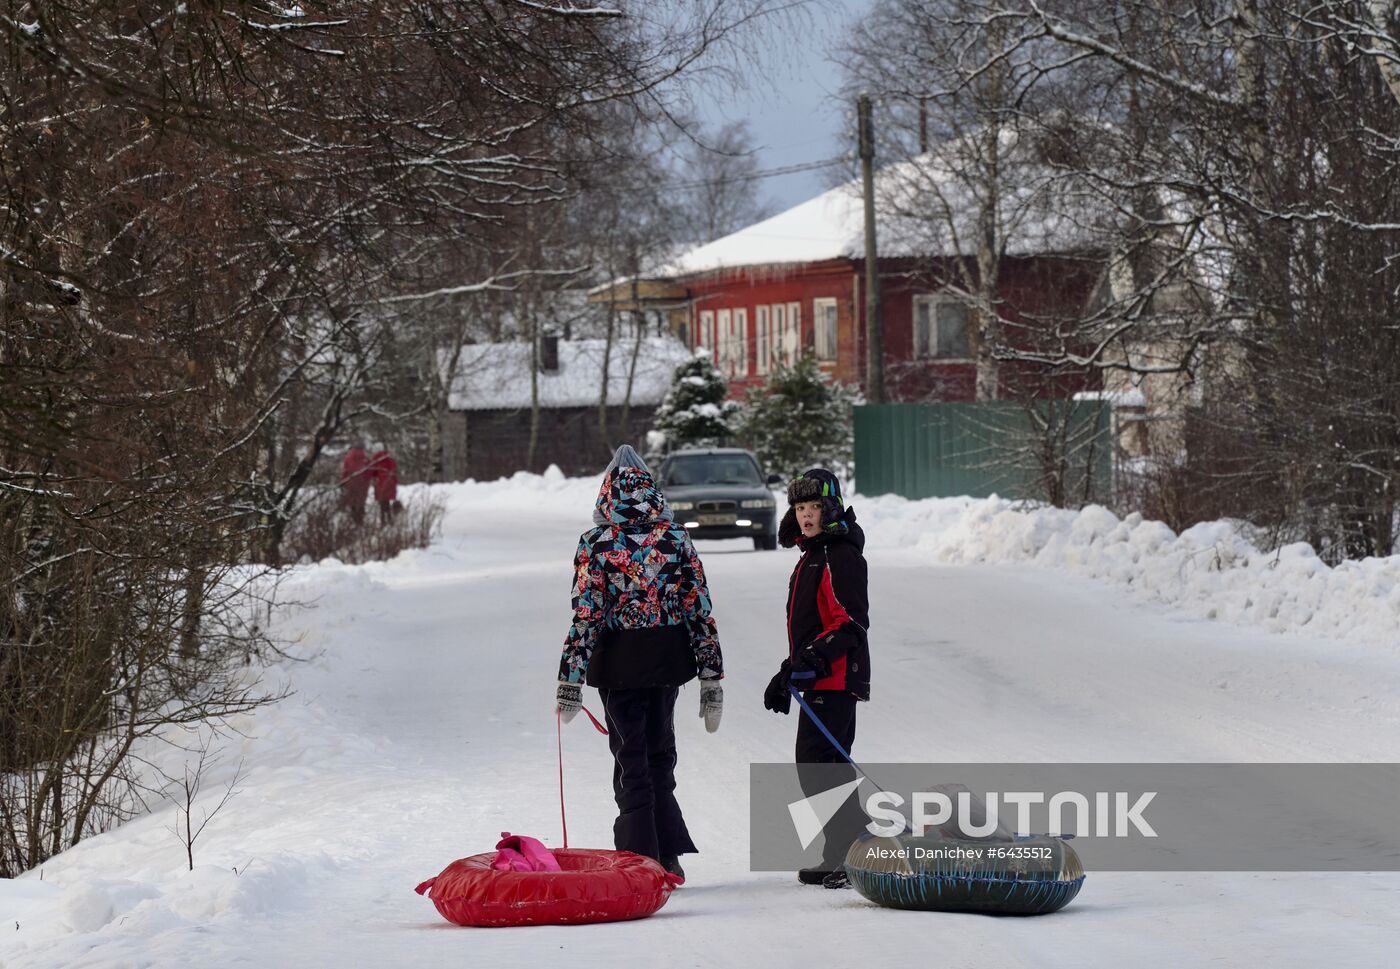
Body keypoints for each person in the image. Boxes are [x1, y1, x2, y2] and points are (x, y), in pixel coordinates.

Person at [555, 444, 723, 884]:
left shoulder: (596, 543)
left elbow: (587, 613)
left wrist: (569, 680)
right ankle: (668, 853)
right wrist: (711, 678)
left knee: (631, 757)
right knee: (659, 753)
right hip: (667, 660)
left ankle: (639, 858)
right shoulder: (675, 538)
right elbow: (698, 609)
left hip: (619, 664)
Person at [763, 468, 869, 889]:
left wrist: (810, 661)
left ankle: (850, 850)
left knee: (818, 766)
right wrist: (791, 670)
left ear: (831, 509)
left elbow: (851, 623)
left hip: (838, 678)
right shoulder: (813, 554)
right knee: (827, 766)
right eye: (800, 507)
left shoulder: (838, 554)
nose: (806, 515)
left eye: (814, 507)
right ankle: (842, 851)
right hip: (821, 677)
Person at [339, 443, 371, 524]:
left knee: (352, 501)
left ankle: (354, 520)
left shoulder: (348, 458)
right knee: (361, 501)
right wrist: (366, 480)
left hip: (351, 482)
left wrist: (342, 481)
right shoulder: (366, 458)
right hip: (363, 484)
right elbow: (369, 471)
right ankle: (361, 520)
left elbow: (345, 471)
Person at [368, 443, 398, 524]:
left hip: (380, 484)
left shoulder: (375, 460)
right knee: (386, 502)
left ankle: (383, 520)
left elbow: (372, 472)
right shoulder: (389, 458)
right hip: (390, 483)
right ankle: (389, 519)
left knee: (382, 503)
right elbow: (394, 469)